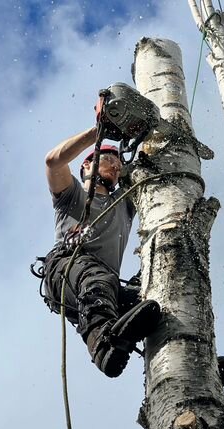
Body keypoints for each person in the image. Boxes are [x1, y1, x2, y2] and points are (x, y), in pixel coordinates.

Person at [43, 126, 161, 378]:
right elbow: (53, 161)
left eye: (119, 165)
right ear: (87, 165)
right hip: (67, 271)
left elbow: (150, 166)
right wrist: (99, 131)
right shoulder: (71, 195)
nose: (116, 167)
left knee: (154, 298)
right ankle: (102, 345)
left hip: (103, 287)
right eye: (108, 159)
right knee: (98, 279)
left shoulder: (125, 202)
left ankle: (188, 358)